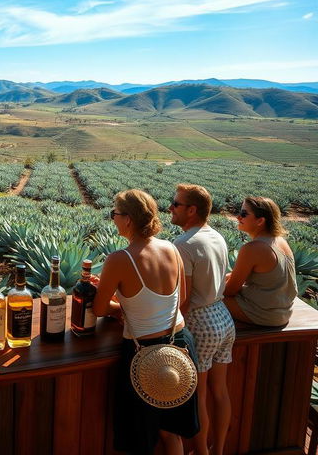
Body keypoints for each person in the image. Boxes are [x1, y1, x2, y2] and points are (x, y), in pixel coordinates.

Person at [93, 189, 199, 455]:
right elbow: (181, 297)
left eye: (114, 214)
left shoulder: (120, 259)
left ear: (128, 219)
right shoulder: (172, 249)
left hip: (144, 354)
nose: (113, 219)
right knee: (171, 431)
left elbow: (99, 308)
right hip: (180, 346)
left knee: (140, 437)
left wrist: (120, 308)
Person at [170, 184, 234, 455]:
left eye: (175, 204)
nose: (170, 208)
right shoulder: (216, 236)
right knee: (220, 392)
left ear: (191, 210)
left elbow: (183, 299)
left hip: (199, 322)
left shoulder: (183, 245)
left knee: (199, 397)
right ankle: (217, 450)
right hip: (223, 317)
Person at [224, 196, 297, 327]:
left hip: (264, 315)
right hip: (283, 312)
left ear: (260, 221)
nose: (238, 217)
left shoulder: (253, 249)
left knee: (206, 299)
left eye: (244, 214)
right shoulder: (280, 241)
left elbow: (230, 291)